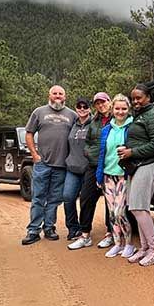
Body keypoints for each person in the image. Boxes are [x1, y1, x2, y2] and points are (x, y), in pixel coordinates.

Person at [118, 84, 154, 266]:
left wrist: (132, 152)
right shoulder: (141, 116)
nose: (135, 101)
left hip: (150, 164)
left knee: (139, 207)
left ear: (148, 97)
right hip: (139, 165)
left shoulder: (153, 116)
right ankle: (145, 247)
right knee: (136, 207)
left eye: (139, 97)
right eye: (133, 98)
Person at [22, 85, 77, 245]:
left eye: (61, 93)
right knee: (38, 197)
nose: (58, 96)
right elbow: (29, 133)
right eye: (55, 93)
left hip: (62, 165)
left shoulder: (72, 115)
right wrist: (34, 155)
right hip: (42, 163)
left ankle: (49, 228)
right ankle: (33, 231)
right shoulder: (39, 112)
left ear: (65, 97)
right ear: (49, 95)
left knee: (54, 199)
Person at [68, 92, 114, 250]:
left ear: (109, 101)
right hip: (93, 165)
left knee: (110, 201)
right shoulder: (94, 121)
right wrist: (89, 153)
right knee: (86, 198)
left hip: (111, 166)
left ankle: (110, 234)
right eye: (98, 103)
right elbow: (88, 142)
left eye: (104, 102)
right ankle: (85, 234)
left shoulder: (117, 118)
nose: (101, 105)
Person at [95, 94, 135, 258]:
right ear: (112, 109)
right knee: (112, 214)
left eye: (124, 108)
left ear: (128, 110)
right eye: (117, 108)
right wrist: (99, 176)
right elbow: (102, 154)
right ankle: (117, 244)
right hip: (107, 175)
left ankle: (129, 244)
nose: (120, 112)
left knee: (120, 212)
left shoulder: (132, 128)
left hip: (123, 175)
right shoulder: (107, 129)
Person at [62, 97, 92, 241]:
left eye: (85, 106)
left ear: (90, 108)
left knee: (86, 201)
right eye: (79, 106)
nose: (82, 109)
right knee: (68, 197)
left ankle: (85, 229)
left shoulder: (94, 124)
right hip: (72, 168)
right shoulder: (71, 125)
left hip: (87, 168)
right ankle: (73, 228)